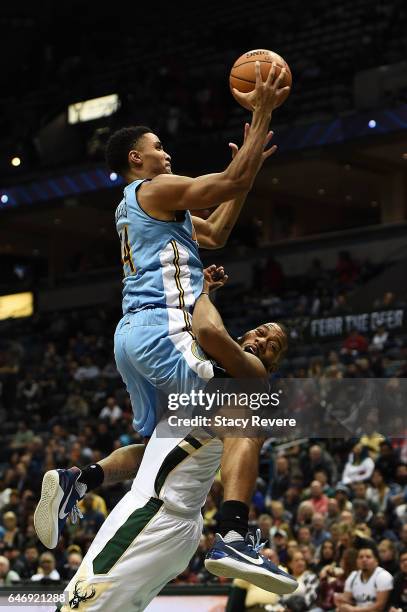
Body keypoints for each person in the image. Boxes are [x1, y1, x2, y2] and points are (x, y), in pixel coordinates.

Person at [36, 63, 294, 590]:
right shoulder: (153, 190)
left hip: (133, 335)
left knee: (161, 437)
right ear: (137, 158)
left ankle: (77, 480)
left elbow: (218, 229)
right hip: (161, 328)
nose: (166, 152)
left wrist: (245, 172)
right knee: (247, 407)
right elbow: (229, 181)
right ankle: (236, 536)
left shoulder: (148, 210)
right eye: (158, 146)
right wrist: (262, 112)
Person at [59, 273, 297, 611]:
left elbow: (209, 331)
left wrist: (202, 290)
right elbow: (151, 454)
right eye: (260, 332)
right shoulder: (201, 382)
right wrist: (90, 477)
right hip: (171, 525)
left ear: (269, 364)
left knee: (78, 606)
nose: (262, 341)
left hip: (155, 515)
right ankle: (79, 481)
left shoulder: (251, 378)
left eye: (271, 346)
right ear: (245, 334)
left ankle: (232, 535)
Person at [334, 546, 393, 612]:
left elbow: (379, 607)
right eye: (361, 557)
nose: (364, 560)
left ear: (376, 561)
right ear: (356, 561)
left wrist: (354, 610)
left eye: (368, 557)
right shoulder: (353, 576)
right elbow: (347, 600)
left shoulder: (383, 576)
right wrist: (341, 601)